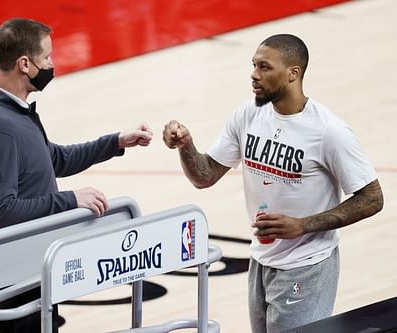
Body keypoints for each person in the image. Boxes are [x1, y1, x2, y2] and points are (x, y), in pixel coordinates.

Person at [162, 34, 383, 332]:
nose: (254, 75)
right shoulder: (247, 115)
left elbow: (372, 198)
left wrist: (303, 225)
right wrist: (185, 145)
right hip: (261, 260)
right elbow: (205, 176)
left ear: (293, 73)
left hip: (308, 265)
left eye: (265, 67)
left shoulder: (329, 131)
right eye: (254, 65)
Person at [0, 18, 153, 333]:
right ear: (25, 64)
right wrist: (69, 201)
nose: (52, 64)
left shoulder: (13, 111)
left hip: (26, 262)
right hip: (7, 271)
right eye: (47, 57)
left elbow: (54, 159)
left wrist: (116, 141)